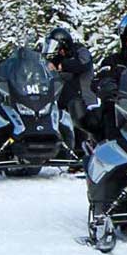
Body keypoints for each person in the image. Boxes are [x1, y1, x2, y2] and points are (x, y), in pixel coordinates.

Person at [42, 26, 96, 160]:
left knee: (79, 121)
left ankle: (81, 155)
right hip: (63, 97)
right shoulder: (56, 57)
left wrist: (62, 66)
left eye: (55, 45)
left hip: (83, 96)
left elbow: (83, 64)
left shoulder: (80, 51)